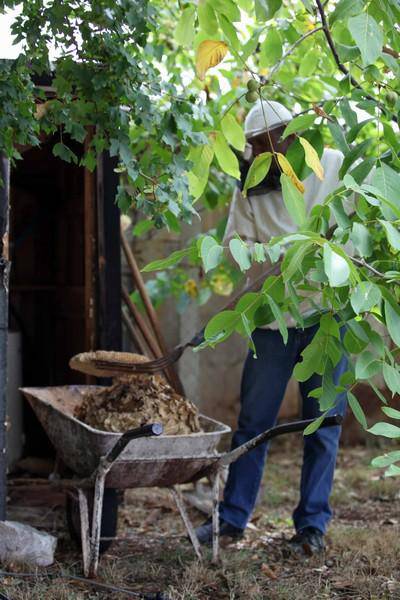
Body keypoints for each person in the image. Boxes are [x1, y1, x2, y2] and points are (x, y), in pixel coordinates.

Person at [195, 99, 348, 556]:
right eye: (259, 147)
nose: (269, 151)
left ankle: (312, 526)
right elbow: (235, 245)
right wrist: (266, 255)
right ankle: (232, 519)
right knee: (253, 424)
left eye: (275, 140)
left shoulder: (334, 163)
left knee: (322, 423)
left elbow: (355, 227)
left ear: (294, 133)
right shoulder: (252, 187)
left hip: (326, 317)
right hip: (271, 321)